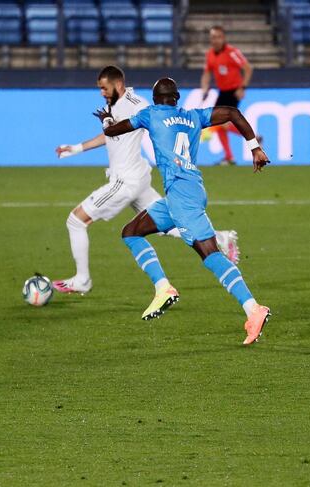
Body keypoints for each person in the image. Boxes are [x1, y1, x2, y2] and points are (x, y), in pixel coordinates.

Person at [101, 78, 271, 346]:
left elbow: (114, 132)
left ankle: (253, 309)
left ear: (156, 99)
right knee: (131, 232)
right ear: (177, 98)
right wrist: (254, 147)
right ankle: (162, 288)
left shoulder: (150, 114)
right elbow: (233, 113)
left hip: (181, 195)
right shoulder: (193, 117)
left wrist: (107, 122)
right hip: (186, 192)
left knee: (210, 254)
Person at [53, 66, 240, 294]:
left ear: (118, 84)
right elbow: (112, 133)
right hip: (138, 178)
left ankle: (82, 279)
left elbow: (153, 115)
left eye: (104, 87)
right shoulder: (115, 106)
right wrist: (76, 148)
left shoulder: (137, 103)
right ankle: (220, 238)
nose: (101, 92)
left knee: (76, 220)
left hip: (125, 181)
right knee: (167, 223)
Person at [200, 25, 253, 166]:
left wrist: (243, 87)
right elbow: (207, 73)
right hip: (222, 92)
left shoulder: (232, 52)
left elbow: (248, 68)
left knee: (221, 123)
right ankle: (229, 157)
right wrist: (204, 88)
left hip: (234, 91)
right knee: (219, 124)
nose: (215, 40)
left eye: (218, 37)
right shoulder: (210, 54)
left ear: (223, 38)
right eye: (213, 37)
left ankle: (251, 137)